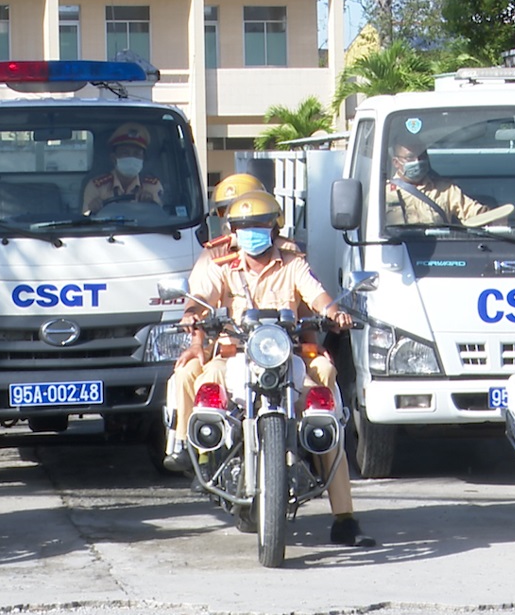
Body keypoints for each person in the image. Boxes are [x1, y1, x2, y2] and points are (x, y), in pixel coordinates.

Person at [177, 191, 375, 547]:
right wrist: (194, 313)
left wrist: (333, 312)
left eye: (259, 225)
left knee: (324, 408)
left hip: (289, 356)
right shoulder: (224, 268)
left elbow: (316, 295)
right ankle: (205, 454)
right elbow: (204, 298)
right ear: (233, 232)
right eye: (243, 226)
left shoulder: (292, 264)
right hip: (235, 355)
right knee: (206, 382)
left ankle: (344, 518)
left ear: (273, 227)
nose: (252, 231)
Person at [161, 174, 303, 472]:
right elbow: (200, 301)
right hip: (226, 347)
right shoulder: (215, 256)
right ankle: (196, 448)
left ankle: (315, 450)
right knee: (190, 374)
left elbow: (306, 299)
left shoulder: (288, 255)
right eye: (228, 213)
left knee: (323, 384)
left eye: (247, 211)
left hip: (278, 347)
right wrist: (197, 340)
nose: (238, 220)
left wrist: (315, 342)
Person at [384, 135, 489, 225]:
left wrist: (494, 218)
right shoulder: (384, 193)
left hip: (439, 247)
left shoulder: (445, 190)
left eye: (421, 156)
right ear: (396, 163)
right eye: (410, 157)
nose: (418, 161)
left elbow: (474, 213)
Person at [82, 122, 164, 214]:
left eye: (137, 154)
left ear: (143, 158)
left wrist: (149, 205)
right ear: (113, 158)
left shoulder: (152, 186)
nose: (131, 158)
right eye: (125, 153)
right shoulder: (96, 186)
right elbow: (85, 221)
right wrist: (93, 209)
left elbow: (159, 219)